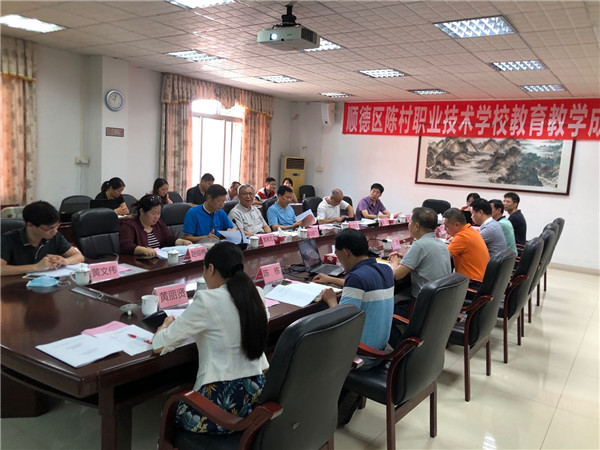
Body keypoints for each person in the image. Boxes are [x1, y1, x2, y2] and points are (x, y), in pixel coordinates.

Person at [152, 242, 269, 435]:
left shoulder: (207, 300)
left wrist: (164, 326)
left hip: (221, 403)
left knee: (169, 414)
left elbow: (159, 345)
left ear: (211, 269)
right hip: (256, 397)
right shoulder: (256, 294)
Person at [312, 229, 394, 426]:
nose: (340, 261)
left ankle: (323, 412)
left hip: (362, 356)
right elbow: (360, 283)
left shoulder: (356, 278)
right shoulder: (385, 269)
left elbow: (343, 320)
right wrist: (332, 279)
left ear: (346, 252)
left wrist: (331, 299)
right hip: (382, 349)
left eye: (338, 256)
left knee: (310, 345)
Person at [388, 207, 451, 314]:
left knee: (389, 311)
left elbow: (397, 275)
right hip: (440, 302)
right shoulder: (441, 243)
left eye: (410, 222)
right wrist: (406, 260)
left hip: (423, 305)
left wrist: (394, 262)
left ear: (417, 226)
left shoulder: (419, 245)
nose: (408, 225)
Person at [1, 201, 84, 276]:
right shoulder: (8, 239)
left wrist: (66, 261)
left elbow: (78, 256)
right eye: (49, 228)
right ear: (30, 225)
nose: (55, 231)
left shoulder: (54, 236)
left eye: (57, 226)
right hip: (16, 285)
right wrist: (35, 267)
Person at [119, 194, 191, 257]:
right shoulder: (129, 225)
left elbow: (168, 238)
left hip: (158, 260)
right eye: (153, 213)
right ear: (142, 211)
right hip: (139, 263)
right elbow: (126, 246)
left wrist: (181, 241)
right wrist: (143, 250)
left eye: (158, 213)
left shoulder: (158, 223)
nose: (156, 217)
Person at [442, 207, 489, 281]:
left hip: (473, 282)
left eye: (446, 227)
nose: (445, 229)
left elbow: (443, 256)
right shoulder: (470, 230)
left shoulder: (462, 237)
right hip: (483, 278)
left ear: (457, 225)